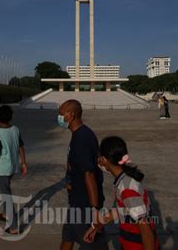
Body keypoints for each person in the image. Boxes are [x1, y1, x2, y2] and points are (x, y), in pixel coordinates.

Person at [83, 136, 159, 250]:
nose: (97, 160)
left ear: (104, 160)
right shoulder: (123, 181)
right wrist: (95, 227)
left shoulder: (127, 189)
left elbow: (146, 231)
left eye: (99, 157)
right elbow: (122, 209)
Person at [58, 99, 108, 250]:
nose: (59, 117)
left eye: (61, 114)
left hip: (84, 204)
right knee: (68, 237)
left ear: (71, 115)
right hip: (76, 200)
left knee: (93, 244)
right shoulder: (81, 133)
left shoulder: (82, 138)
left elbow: (89, 174)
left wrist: (94, 209)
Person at [0, 105, 27, 235]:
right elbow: (21, 147)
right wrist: (23, 163)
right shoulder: (15, 129)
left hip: (4, 169)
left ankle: (13, 227)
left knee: (7, 196)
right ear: (10, 117)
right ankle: (5, 215)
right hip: (13, 167)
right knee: (5, 190)